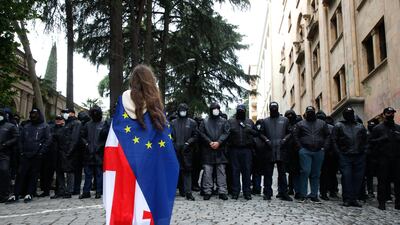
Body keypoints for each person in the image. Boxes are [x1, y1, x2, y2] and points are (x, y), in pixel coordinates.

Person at [103, 65, 179, 225]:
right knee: (147, 201)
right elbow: (164, 139)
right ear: (151, 81)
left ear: (133, 81)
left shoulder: (122, 100)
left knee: (128, 200)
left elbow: (115, 131)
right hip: (150, 163)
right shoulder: (155, 103)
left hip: (125, 162)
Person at [7, 108, 51, 203]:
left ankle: (29, 193)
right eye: (32, 114)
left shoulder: (44, 126)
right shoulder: (27, 126)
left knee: (33, 175)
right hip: (25, 154)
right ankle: (16, 194)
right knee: (21, 174)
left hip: (37, 155)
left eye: (35, 114)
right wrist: (22, 152)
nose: (33, 116)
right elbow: (21, 140)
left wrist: (41, 152)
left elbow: (47, 140)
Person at [332, 107, 367, 207]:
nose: (349, 115)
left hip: (359, 156)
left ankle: (354, 199)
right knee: (347, 177)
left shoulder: (360, 126)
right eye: (347, 113)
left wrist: (364, 152)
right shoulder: (339, 125)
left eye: (351, 113)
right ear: (344, 115)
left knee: (358, 178)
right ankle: (347, 199)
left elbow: (366, 140)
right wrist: (338, 153)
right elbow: (334, 140)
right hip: (345, 156)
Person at [294, 106, 330, 203]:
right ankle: (303, 194)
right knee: (305, 171)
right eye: (308, 112)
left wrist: (324, 148)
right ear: (305, 113)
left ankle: (314, 194)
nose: (310, 113)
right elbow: (296, 136)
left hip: (319, 151)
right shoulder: (300, 124)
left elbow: (327, 136)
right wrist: (300, 148)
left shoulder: (322, 123)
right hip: (305, 151)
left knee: (316, 173)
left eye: (311, 112)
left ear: (314, 113)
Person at [259, 102, 292, 201]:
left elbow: (289, 132)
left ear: (277, 108)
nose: (273, 109)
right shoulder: (265, 121)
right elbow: (261, 134)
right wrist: (266, 140)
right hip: (269, 149)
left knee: (282, 173)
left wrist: (285, 140)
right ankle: (267, 193)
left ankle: (283, 193)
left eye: (275, 108)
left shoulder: (285, 120)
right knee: (268, 173)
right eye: (272, 108)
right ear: (270, 109)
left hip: (281, 149)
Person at [370, 107, 400, 210]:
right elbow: (371, 142)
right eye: (388, 113)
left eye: (392, 113)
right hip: (383, 159)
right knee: (382, 182)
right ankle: (381, 203)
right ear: (384, 114)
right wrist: (380, 140)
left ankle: (398, 203)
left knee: (398, 182)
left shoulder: (398, 128)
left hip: (396, 159)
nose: (390, 115)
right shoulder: (377, 128)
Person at [198, 102, 230, 200]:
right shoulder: (205, 121)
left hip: (220, 150)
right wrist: (210, 142)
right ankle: (207, 191)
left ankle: (222, 191)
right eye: (214, 108)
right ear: (211, 110)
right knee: (208, 172)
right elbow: (201, 133)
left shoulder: (224, 121)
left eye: (217, 108)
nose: (216, 110)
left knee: (221, 171)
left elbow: (227, 132)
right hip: (208, 150)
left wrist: (219, 142)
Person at [227, 104, 256, 200]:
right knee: (235, 171)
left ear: (245, 111)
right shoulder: (231, 122)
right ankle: (235, 192)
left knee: (247, 171)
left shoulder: (250, 122)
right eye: (239, 110)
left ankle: (247, 192)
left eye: (242, 110)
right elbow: (226, 135)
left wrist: (250, 130)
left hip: (247, 150)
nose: (240, 112)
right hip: (234, 150)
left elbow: (256, 134)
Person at [171, 103, 198, 201]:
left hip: (187, 151)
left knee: (187, 171)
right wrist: (174, 145)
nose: (183, 112)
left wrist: (188, 143)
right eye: (181, 110)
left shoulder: (192, 122)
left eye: (184, 110)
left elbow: (195, 135)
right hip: (175, 151)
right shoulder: (173, 123)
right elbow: (170, 136)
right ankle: (173, 191)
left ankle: (188, 192)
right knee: (175, 172)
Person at [80, 106, 108, 199]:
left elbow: (107, 138)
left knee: (99, 174)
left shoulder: (104, 124)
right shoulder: (87, 125)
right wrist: (86, 144)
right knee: (88, 174)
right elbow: (82, 136)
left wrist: (101, 146)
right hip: (88, 153)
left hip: (99, 153)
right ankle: (86, 192)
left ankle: (98, 192)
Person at [60, 108, 82, 198]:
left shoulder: (76, 123)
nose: (64, 114)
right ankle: (70, 189)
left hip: (73, 151)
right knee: (69, 170)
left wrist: (70, 150)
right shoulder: (67, 123)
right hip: (67, 150)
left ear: (72, 113)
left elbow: (74, 138)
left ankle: (71, 190)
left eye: (66, 113)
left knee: (71, 171)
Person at [317, 111, 337, 201]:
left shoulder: (330, 128)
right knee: (330, 174)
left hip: (327, 154)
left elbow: (334, 140)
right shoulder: (331, 127)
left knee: (325, 174)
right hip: (328, 154)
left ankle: (325, 192)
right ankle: (330, 191)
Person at [0, 109, 19, 203]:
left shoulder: (10, 126)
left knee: (4, 171)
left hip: (5, 153)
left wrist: (6, 144)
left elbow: (16, 137)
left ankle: (5, 193)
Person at [284, 110, 300, 198]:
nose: (290, 116)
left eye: (291, 115)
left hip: (296, 151)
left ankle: (297, 190)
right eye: (288, 115)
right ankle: (290, 188)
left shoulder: (298, 125)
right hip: (287, 151)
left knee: (296, 172)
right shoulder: (284, 125)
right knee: (290, 172)